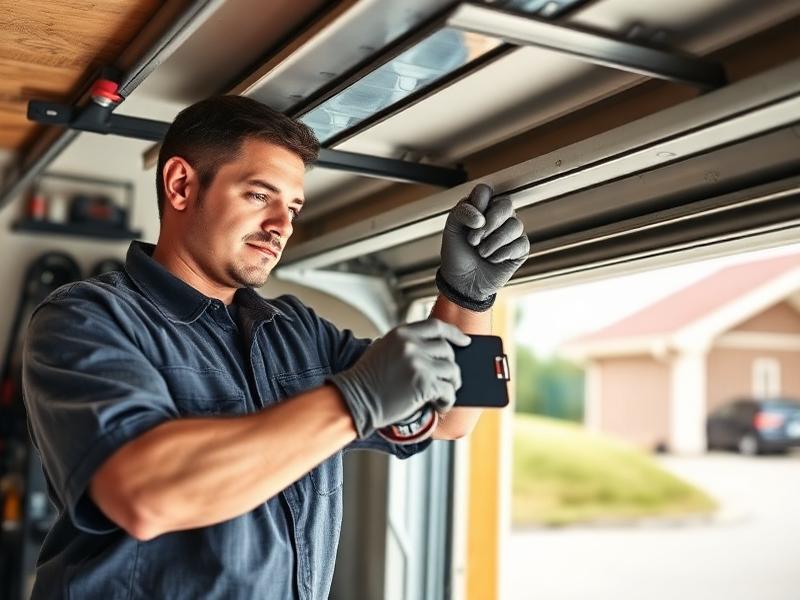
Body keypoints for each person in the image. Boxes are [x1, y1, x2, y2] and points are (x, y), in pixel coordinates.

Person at [22, 95, 530, 599]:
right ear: (181, 185)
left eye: (292, 207)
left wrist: (466, 297)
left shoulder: (297, 331)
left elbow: (449, 419)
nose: (281, 227)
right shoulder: (86, 318)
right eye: (259, 196)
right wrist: (354, 400)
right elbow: (143, 497)